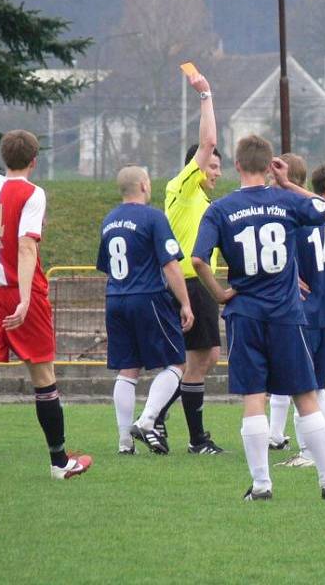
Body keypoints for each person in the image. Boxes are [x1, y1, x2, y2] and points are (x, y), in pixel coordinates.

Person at [191, 135, 325, 500]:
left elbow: (199, 259)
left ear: (236, 165)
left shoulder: (219, 209)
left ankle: (262, 485)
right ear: (269, 166)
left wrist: (219, 293)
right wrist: (288, 184)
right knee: (305, 396)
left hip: (245, 313)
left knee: (254, 397)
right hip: (285, 313)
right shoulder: (284, 200)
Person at [0, 130, 92, 481]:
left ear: (4, 157)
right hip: (23, 291)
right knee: (43, 375)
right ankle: (59, 462)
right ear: (35, 160)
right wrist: (22, 298)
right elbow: (25, 246)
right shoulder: (33, 193)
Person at [96, 165, 194, 455]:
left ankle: (124, 442)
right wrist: (185, 303)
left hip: (115, 298)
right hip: (148, 297)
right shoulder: (153, 217)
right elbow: (170, 264)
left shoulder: (109, 220)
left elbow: (106, 266)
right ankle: (148, 420)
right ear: (142, 185)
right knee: (177, 363)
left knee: (128, 369)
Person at [274, 160, 325, 468]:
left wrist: (292, 270)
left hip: (304, 312)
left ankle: (309, 452)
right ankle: (323, 450)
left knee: (303, 386)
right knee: (318, 386)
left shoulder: (294, 219)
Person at [157, 69, 224, 454]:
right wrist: (206, 94)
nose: (217, 172)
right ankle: (187, 435)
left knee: (198, 359)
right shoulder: (182, 188)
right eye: (212, 166)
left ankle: (158, 419)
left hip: (199, 284)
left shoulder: (205, 203)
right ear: (196, 167)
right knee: (197, 359)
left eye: (218, 166)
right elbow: (209, 140)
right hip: (188, 282)